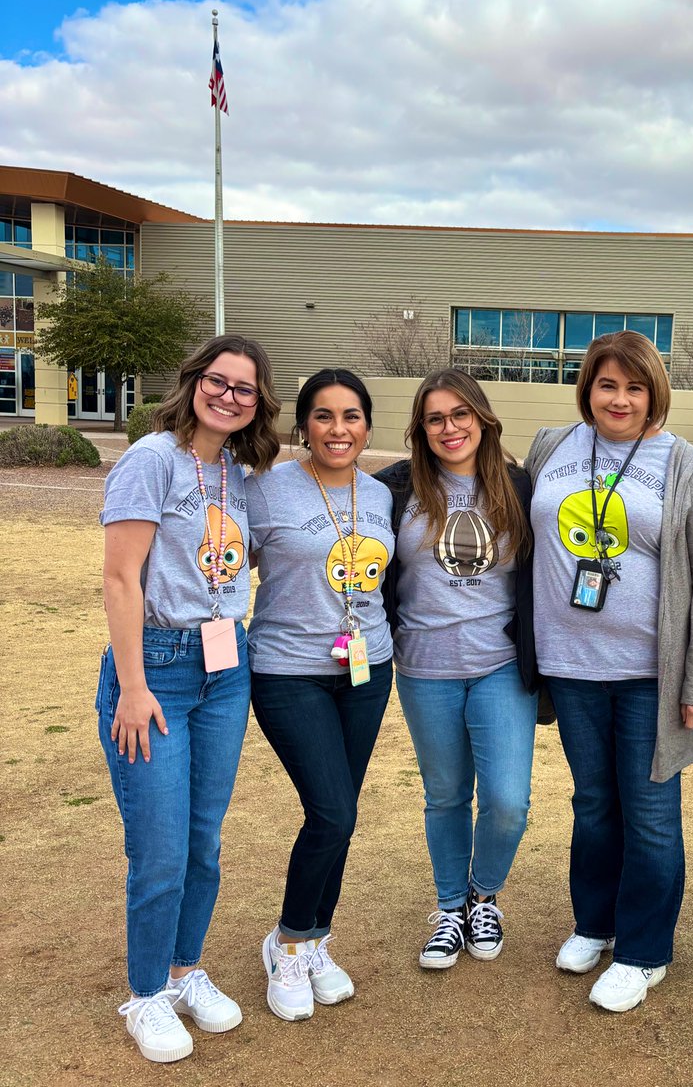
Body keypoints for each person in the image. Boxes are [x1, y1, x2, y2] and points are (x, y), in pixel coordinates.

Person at [525, 330, 693, 1013]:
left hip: (649, 675)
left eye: (634, 387)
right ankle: (595, 923)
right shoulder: (551, 448)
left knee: (648, 814)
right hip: (570, 667)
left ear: (654, 394)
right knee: (592, 804)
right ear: (588, 387)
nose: (619, 399)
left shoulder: (686, 465)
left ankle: (643, 952)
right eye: (607, 384)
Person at [98, 335, 280, 1063]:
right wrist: (134, 687)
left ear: (258, 402)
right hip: (159, 668)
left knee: (204, 839)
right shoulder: (152, 459)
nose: (229, 395)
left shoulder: (239, 471)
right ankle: (145, 994)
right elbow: (120, 580)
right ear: (193, 380)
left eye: (244, 388)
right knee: (162, 848)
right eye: (219, 380)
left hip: (225, 666)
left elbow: (244, 556)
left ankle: (183, 971)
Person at [246, 369, 396, 1022]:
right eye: (325, 417)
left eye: (352, 417)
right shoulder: (267, 491)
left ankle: (315, 941)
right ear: (302, 424)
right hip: (287, 671)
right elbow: (219, 568)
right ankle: (284, 943)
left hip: (366, 670)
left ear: (367, 425)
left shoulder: (381, 493)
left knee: (342, 815)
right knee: (331, 813)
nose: (339, 430)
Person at [376, 368, 538, 969]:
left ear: (483, 419)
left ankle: (483, 894)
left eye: (460, 414)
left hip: (499, 664)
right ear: (421, 427)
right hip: (424, 667)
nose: (450, 428)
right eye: (436, 417)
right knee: (446, 795)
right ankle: (449, 908)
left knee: (507, 800)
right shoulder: (393, 489)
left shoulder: (518, 487)